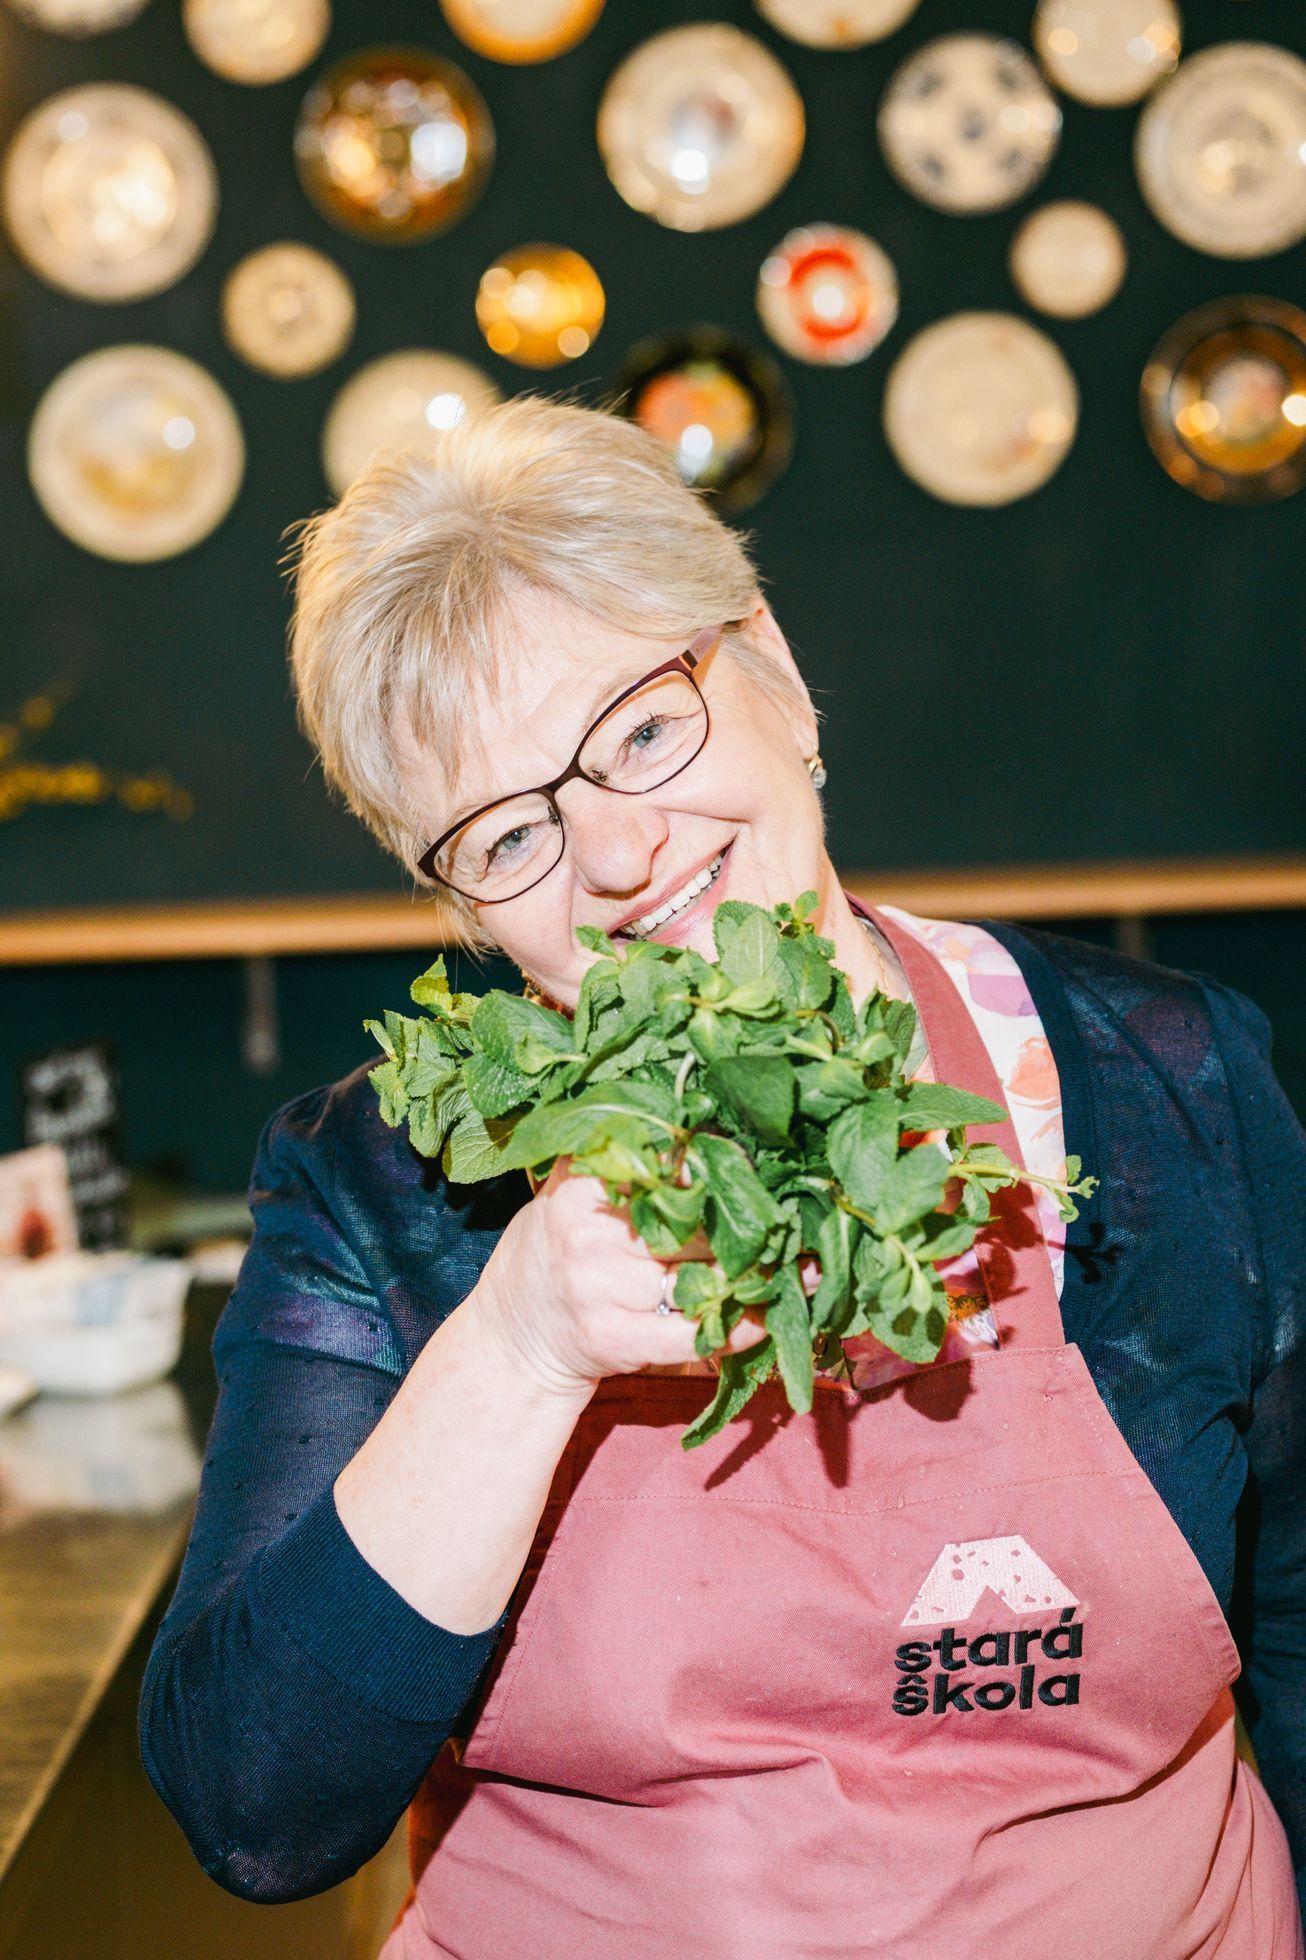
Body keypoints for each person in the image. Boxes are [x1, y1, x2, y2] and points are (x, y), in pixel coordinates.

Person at [139, 395, 1306, 1956]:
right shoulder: (384, 1183)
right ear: (462, 905)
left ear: (774, 668)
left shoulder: (1167, 1078)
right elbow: (253, 1810)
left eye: (638, 727)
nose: (617, 853)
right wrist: (516, 1347)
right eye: (506, 835)